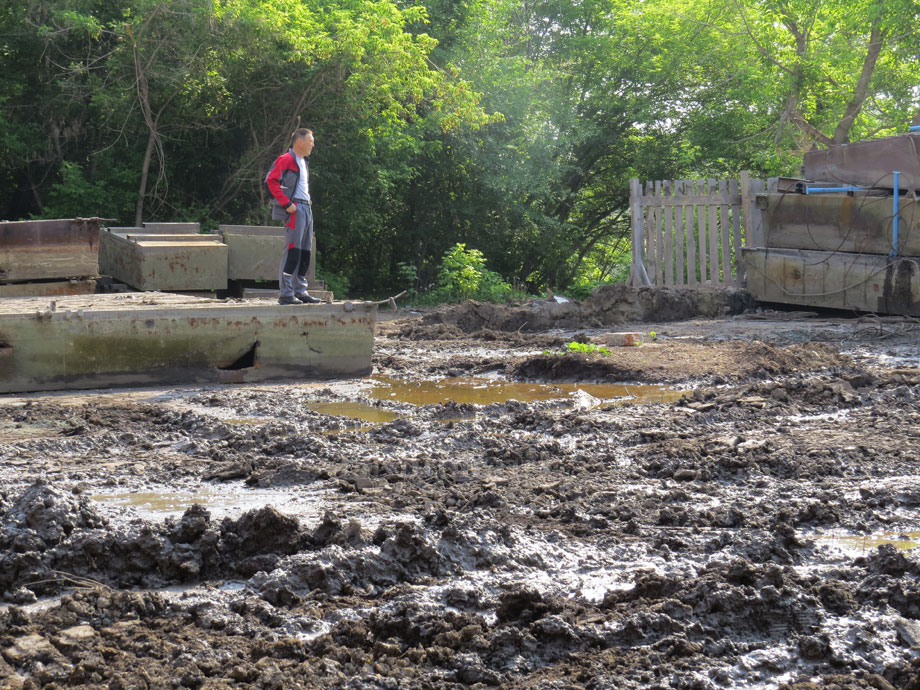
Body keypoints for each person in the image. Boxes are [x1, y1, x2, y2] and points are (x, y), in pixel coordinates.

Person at [265, 128, 322, 304]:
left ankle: (300, 291)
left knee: (305, 252)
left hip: (307, 208)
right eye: (311, 141)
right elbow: (270, 180)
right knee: (292, 251)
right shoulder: (286, 159)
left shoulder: (303, 161)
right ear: (300, 142)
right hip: (295, 208)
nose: (313, 144)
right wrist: (286, 203)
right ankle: (286, 294)